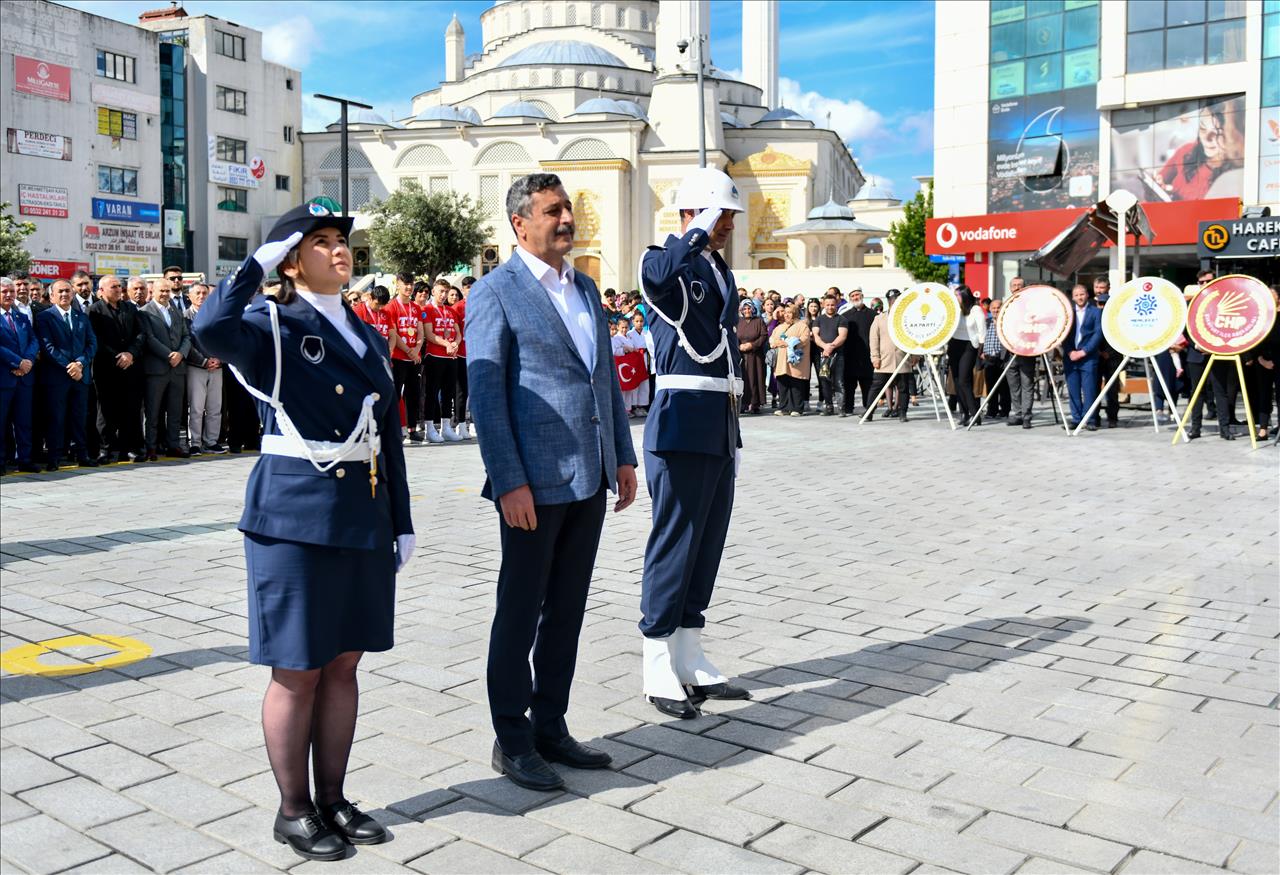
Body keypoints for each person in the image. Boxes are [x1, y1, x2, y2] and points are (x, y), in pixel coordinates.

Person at [194, 200, 413, 861]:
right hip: (293, 514)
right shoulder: (268, 323)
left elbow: (388, 432)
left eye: (341, 241)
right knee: (298, 669)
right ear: (292, 259)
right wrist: (258, 262)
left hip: (360, 510)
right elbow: (209, 327)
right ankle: (293, 809)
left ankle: (334, 797)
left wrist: (400, 517)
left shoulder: (363, 330)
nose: (338, 251)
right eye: (319, 242)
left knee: (345, 661)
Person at [468, 173, 636, 790]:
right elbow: (486, 397)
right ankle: (511, 737)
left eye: (567, 208)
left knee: (567, 609)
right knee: (520, 609)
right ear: (520, 223)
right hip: (532, 485)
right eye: (552, 210)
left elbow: (603, 381)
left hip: (588, 477)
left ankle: (551, 725)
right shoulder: (496, 292)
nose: (566, 219)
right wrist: (507, 480)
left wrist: (622, 456)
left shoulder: (586, 288)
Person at [636, 166, 749, 719]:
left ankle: (689, 651)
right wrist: (696, 230)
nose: (728, 224)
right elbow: (655, 276)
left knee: (706, 544)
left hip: (719, 421)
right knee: (675, 541)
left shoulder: (716, 269)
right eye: (721, 213)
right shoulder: (668, 262)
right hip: (681, 421)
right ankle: (657, 657)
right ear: (696, 211)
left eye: (727, 216)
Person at [34, 279, 98, 470]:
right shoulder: (44, 317)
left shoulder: (81, 316)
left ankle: (82, 455)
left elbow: (92, 343)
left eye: (67, 291)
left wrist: (80, 363)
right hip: (56, 378)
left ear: (72, 294)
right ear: (52, 296)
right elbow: (47, 347)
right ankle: (54, 458)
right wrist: (69, 366)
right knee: (56, 418)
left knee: (79, 418)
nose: (64, 295)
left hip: (80, 377)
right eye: (60, 292)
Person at [87, 275, 145, 463]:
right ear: (102, 290)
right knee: (106, 411)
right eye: (114, 287)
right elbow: (96, 339)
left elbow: (140, 334)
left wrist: (130, 354)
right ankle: (105, 449)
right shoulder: (94, 310)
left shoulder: (129, 308)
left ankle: (129, 448)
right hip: (106, 368)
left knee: (131, 409)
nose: (119, 289)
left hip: (130, 367)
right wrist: (117, 356)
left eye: (120, 286)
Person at [138, 279, 190, 460]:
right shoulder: (145, 312)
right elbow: (149, 339)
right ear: (153, 292)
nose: (165, 294)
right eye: (162, 291)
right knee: (153, 412)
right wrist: (169, 355)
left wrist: (181, 354)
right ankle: (151, 446)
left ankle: (173, 445)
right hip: (157, 369)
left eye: (167, 291)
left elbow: (186, 336)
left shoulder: (175, 310)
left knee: (175, 411)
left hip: (177, 369)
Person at [0, 278, 40, 473]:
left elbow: (33, 340)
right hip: (4, 378)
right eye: (4, 291)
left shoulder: (21, 316)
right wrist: (17, 362)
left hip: (24, 378)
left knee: (24, 422)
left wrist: (28, 361)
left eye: (11, 291)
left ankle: (25, 459)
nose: (8, 295)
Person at [184, 283, 226, 456]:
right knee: (196, 408)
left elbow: (224, 340)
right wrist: (203, 361)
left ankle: (211, 441)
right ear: (190, 296)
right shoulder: (184, 316)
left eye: (204, 293)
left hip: (217, 367)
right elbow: (187, 343)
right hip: (196, 367)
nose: (202, 296)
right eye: (198, 293)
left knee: (215, 407)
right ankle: (195, 442)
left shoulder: (216, 315)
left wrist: (220, 359)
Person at [420, 279, 462, 443]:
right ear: (433, 292)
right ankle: (429, 429)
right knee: (431, 392)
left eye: (446, 292)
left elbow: (458, 332)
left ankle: (446, 427)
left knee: (449, 392)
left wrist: (455, 344)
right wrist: (446, 343)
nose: (444, 295)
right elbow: (429, 334)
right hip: (435, 356)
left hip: (451, 357)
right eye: (441, 292)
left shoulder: (451, 312)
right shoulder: (428, 309)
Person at [385, 273, 423, 443]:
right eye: (405, 284)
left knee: (414, 394)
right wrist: (409, 350)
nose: (409, 287)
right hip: (399, 357)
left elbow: (420, 331)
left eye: (411, 284)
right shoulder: (391, 307)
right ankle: (395, 428)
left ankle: (412, 428)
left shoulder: (416, 308)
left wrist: (416, 350)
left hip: (414, 359)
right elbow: (394, 335)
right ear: (398, 284)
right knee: (396, 394)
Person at [867, 290, 912, 421]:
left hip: (901, 358)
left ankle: (902, 413)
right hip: (883, 360)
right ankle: (868, 412)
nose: (896, 302)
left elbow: (914, 338)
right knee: (876, 387)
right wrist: (875, 357)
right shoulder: (879, 318)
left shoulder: (907, 318)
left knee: (903, 388)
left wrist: (915, 355)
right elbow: (874, 339)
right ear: (889, 302)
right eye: (893, 300)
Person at [1061, 283, 1101, 430]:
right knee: (1073, 389)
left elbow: (1098, 334)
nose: (1080, 297)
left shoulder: (1096, 312)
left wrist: (1084, 351)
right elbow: (1062, 334)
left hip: (1088, 357)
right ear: (1072, 297)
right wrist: (1070, 351)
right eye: (1077, 295)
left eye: (1082, 294)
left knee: (1089, 390)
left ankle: (1090, 420)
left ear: (1087, 295)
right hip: (1070, 357)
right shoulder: (1068, 313)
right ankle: (1077, 419)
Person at [948, 285, 985, 426]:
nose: (955, 298)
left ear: (964, 295)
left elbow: (982, 332)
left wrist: (981, 352)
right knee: (956, 381)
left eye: (957, 295)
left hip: (970, 346)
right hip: (954, 345)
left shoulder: (975, 310)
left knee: (964, 380)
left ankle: (975, 413)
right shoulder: (954, 310)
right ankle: (964, 413)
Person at [838, 288, 875, 414]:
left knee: (867, 385)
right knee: (849, 385)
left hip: (867, 356)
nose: (855, 297)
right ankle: (848, 408)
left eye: (857, 295)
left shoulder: (873, 315)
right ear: (850, 298)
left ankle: (869, 408)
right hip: (850, 356)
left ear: (862, 296)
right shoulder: (845, 316)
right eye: (852, 296)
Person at [770, 304, 811, 416]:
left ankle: (797, 408)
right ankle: (783, 407)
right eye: (785, 312)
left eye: (789, 312)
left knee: (796, 383)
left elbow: (804, 340)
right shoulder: (779, 327)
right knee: (783, 383)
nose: (787, 314)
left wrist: (787, 343)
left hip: (796, 361)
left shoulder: (802, 326)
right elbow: (772, 340)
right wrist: (780, 343)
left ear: (795, 313)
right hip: (781, 361)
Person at [813, 294, 848, 416]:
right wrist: (824, 347)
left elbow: (842, 336)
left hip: (838, 355)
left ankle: (841, 408)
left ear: (836, 305)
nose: (830, 307)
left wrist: (831, 346)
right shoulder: (819, 319)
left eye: (832, 304)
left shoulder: (842, 319)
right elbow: (816, 336)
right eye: (827, 304)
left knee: (839, 381)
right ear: (823, 305)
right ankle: (828, 407)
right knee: (824, 380)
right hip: (823, 356)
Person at [1093, 277, 1120, 428]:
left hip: (1113, 355)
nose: (1099, 290)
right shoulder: (1090, 306)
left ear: (1108, 288)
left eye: (1102, 287)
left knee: (1112, 389)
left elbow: (1118, 330)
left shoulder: (1115, 305)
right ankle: (1094, 417)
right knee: (1093, 388)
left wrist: (1108, 352)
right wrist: (1097, 351)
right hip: (1095, 354)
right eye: (1097, 287)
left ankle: (1112, 418)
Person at [980, 297, 1010, 419]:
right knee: (990, 385)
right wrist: (981, 352)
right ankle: (991, 410)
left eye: (998, 308)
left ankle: (1005, 410)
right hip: (988, 358)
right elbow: (981, 338)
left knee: (1004, 386)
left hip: (1002, 357)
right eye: (993, 308)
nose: (996, 310)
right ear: (990, 309)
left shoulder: (1006, 322)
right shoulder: (986, 322)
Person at [736, 299, 767, 414]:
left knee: (756, 378)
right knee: (744, 379)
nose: (747, 310)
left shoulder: (759, 321)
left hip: (756, 355)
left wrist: (752, 345)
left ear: (753, 309)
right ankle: (743, 403)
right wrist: (739, 346)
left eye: (749, 308)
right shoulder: (738, 321)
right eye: (744, 309)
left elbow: (763, 336)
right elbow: (734, 336)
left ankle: (755, 403)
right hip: (742, 356)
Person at [453, 279, 473, 439]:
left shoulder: (482, 304)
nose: (470, 290)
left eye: (473, 287)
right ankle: (460, 424)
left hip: (477, 354)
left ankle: (473, 423)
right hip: (460, 354)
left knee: (474, 390)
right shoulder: (457, 308)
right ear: (463, 290)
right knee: (461, 391)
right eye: (467, 288)